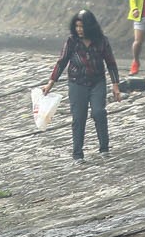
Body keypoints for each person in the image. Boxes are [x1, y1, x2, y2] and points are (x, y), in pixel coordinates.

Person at [42, 9, 125, 162]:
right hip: (77, 83)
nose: (79, 30)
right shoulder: (72, 41)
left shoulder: (101, 41)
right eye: (77, 26)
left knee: (99, 112)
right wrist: (50, 83)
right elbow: (61, 62)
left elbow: (111, 63)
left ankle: (104, 148)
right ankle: (78, 154)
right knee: (79, 118)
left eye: (82, 26)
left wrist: (115, 85)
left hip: (97, 82)